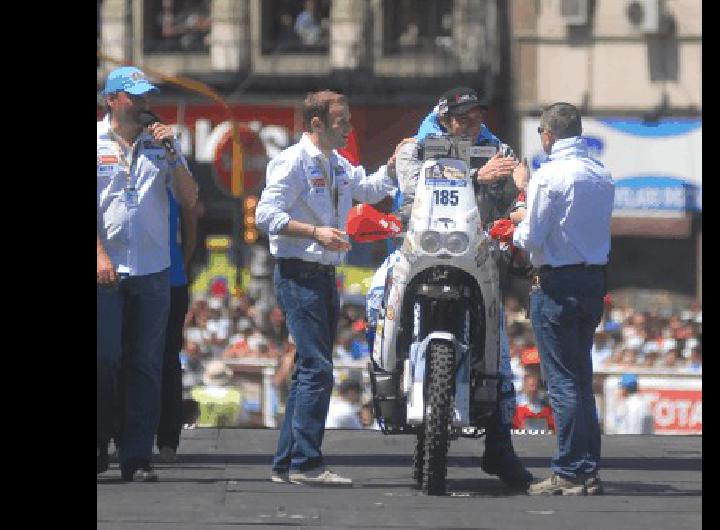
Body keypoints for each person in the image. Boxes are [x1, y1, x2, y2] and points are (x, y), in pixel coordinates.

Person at [367, 87, 533, 491]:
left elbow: (517, 192)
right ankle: (386, 375)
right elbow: (408, 187)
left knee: (499, 351)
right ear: (445, 119)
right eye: (465, 117)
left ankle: (500, 448)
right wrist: (476, 175)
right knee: (375, 302)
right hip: (415, 250)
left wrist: (523, 191)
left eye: (478, 115)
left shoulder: (499, 149)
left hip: (475, 255)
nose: (474, 123)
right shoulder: (415, 146)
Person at [255, 90, 401, 486]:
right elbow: (266, 214)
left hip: (322, 275)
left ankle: (288, 462)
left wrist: (391, 166)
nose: (349, 128)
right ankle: (306, 462)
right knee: (317, 368)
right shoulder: (291, 162)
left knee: (310, 368)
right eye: (342, 122)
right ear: (316, 123)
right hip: (299, 273)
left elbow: (369, 190)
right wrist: (316, 232)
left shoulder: (336, 163)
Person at [97, 66, 198, 482]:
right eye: (134, 96)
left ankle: (137, 456)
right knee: (105, 358)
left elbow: (191, 199)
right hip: (107, 271)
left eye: (145, 96)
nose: (143, 104)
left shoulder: (162, 145)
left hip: (153, 269)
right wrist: (99, 255)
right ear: (113, 100)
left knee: (146, 364)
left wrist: (173, 152)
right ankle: (101, 441)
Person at [513, 102, 614, 496]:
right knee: (580, 377)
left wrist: (521, 205)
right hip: (592, 281)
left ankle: (570, 469)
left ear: (548, 135)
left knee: (563, 383)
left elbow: (531, 238)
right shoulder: (600, 173)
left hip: (557, 282)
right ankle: (587, 468)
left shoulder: (548, 174)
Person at [155, 189, 197, 463]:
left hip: (171, 278)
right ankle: (123, 435)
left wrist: (182, 262)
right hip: (124, 276)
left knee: (169, 358)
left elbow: (191, 211)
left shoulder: (172, 166)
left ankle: (168, 438)